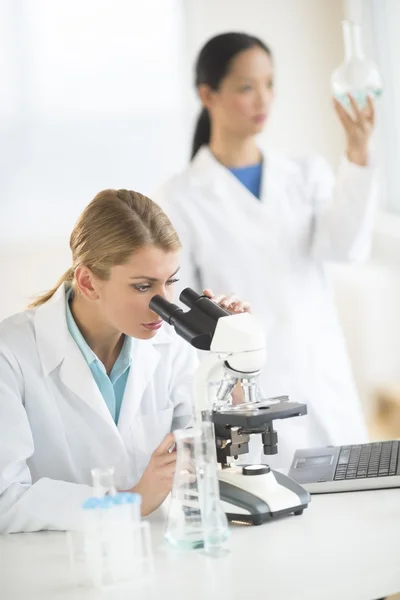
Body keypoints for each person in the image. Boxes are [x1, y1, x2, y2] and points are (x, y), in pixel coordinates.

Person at [154, 32, 378, 467]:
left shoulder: (304, 173)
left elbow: (347, 248)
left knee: (357, 505)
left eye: (270, 84)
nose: (263, 99)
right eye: (246, 87)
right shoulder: (180, 197)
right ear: (208, 94)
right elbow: (181, 319)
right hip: (249, 391)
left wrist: (358, 153)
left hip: (323, 378)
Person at [0, 189, 248, 534]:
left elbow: (209, 458)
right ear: (88, 282)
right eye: (143, 286)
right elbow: (6, 498)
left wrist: (232, 356)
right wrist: (129, 502)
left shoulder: (170, 345)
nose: (165, 304)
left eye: (171, 281)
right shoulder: (10, 353)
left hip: (159, 556)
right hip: (57, 568)